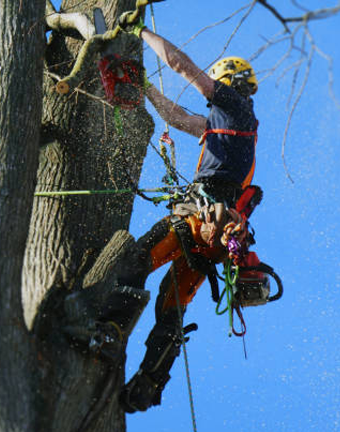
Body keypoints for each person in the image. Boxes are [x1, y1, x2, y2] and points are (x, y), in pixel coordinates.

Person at [117, 18, 264, 413]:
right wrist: (144, 86)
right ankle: (148, 383)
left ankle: (108, 329)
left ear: (228, 82)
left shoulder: (234, 105)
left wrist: (140, 34)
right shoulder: (232, 126)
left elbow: (183, 67)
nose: (209, 98)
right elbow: (176, 118)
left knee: (133, 262)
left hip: (201, 218)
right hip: (212, 240)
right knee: (171, 306)